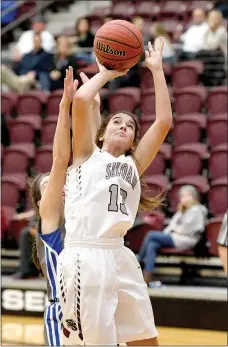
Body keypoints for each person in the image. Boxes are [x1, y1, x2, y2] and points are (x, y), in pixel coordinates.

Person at [57, 38, 172, 346]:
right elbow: (81, 101)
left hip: (119, 255)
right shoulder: (86, 154)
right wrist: (108, 73)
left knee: (145, 339)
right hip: (85, 257)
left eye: (130, 125)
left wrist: (156, 71)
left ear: (134, 140)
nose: (123, 126)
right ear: (101, 131)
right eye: (116, 122)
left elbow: (163, 122)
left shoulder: (134, 164)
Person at [28, 67, 101, 346]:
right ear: (40, 203)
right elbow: (61, 160)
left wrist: (93, 109)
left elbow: (91, 158)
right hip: (64, 312)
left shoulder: (79, 209)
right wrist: (65, 107)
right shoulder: (50, 220)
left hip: (94, 306)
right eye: (47, 186)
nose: (56, 185)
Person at [139, 185, 207, 286]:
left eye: (187, 196)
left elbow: (190, 229)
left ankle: (138, 262)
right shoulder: (182, 210)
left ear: (193, 196)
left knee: (151, 235)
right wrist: (175, 230)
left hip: (187, 239)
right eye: (182, 196)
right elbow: (172, 226)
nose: (184, 198)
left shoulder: (198, 209)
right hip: (176, 237)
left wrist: (176, 230)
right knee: (152, 244)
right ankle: (147, 277)